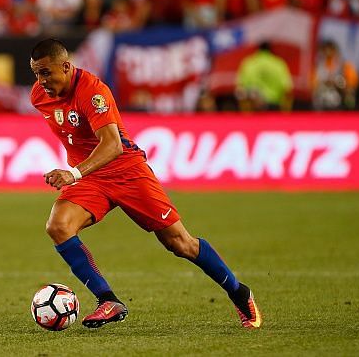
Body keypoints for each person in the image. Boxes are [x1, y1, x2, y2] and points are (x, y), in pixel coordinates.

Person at [29, 38, 262, 329]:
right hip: (92, 178)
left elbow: (112, 145)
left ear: (66, 66)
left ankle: (239, 292)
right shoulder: (39, 95)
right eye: (36, 73)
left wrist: (73, 173)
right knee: (58, 226)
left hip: (127, 171)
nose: (41, 81)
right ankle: (108, 300)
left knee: (180, 243)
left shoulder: (93, 91)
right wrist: (80, 173)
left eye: (47, 73)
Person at [236, 41, 293, 111]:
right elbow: (287, 89)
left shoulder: (248, 63)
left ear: (258, 49)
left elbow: (240, 89)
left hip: (253, 108)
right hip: (274, 108)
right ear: (270, 50)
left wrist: (245, 111)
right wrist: (285, 110)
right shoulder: (279, 64)